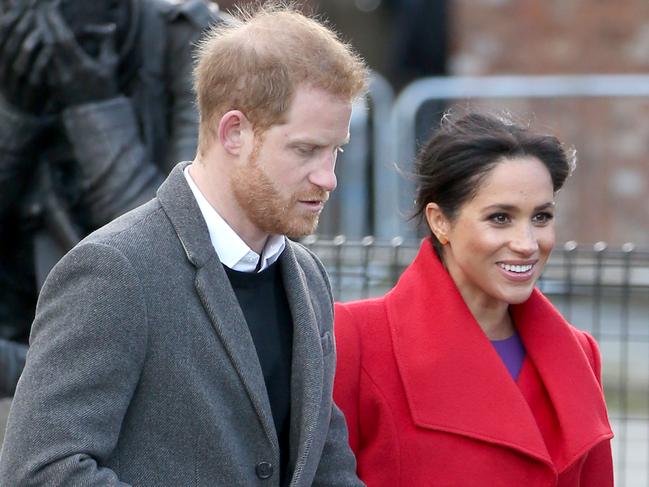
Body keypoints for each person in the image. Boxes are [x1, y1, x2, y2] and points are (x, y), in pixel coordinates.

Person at [0, 3, 369, 486]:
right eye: (306, 150)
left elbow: (325, 468)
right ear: (233, 132)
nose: (328, 178)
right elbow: (41, 472)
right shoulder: (112, 270)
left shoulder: (307, 277)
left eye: (335, 150)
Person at [333, 112, 614, 486]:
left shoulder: (579, 354)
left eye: (541, 217)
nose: (527, 244)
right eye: (500, 218)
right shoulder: (357, 338)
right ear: (440, 222)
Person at [0, 0, 220, 396]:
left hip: (153, 356)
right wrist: (16, 122)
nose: (43, 25)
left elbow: (179, 253)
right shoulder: (14, 43)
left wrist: (94, 108)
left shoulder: (191, 40)